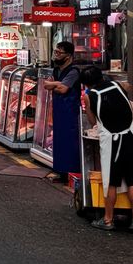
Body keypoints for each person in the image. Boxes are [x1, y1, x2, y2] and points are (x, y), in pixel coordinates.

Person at [80, 66, 133, 232]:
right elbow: (129, 90)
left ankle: (108, 219)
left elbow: (93, 121)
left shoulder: (89, 96)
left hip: (112, 141)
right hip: (130, 138)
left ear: (86, 83)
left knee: (111, 183)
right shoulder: (118, 85)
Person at [42, 41, 82, 182]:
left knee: (70, 142)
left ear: (69, 56)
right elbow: (48, 85)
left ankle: (70, 173)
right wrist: (56, 84)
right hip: (58, 111)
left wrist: (55, 85)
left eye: (59, 53)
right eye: (56, 52)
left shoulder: (73, 71)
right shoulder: (56, 70)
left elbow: (63, 89)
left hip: (71, 113)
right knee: (58, 140)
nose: (56, 55)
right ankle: (59, 170)